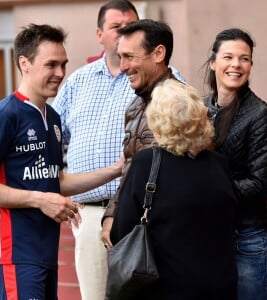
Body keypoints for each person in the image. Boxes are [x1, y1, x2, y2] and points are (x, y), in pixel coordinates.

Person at [52, 2, 185, 299]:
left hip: (145, 218)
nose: (125, 32)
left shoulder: (162, 81)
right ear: (100, 34)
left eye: (131, 26)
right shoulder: (77, 81)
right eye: (117, 27)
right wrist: (52, 188)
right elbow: (51, 138)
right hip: (89, 217)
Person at [0, 23, 124, 300]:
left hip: (44, 251)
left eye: (63, 64)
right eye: (51, 65)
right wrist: (41, 200)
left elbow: (55, 181)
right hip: (12, 253)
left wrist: (115, 170)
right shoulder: (3, 116)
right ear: (25, 63)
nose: (60, 73)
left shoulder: (54, 118)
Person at [110, 78, 238, 300]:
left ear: (158, 122)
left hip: (164, 288)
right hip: (218, 287)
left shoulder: (146, 163)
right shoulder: (219, 164)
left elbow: (121, 232)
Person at [203, 28, 267, 300]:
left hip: (249, 240)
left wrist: (205, 190)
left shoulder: (261, 115)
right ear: (213, 62)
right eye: (228, 57)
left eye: (244, 58)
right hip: (211, 238)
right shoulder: (201, 109)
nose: (236, 64)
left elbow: (259, 186)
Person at [101, 19, 186, 248]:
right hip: (134, 232)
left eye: (130, 57)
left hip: (167, 238)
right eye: (121, 57)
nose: (123, 67)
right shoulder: (134, 106)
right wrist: (111, 214)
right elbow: (129, 167)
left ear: (158, 53)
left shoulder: (183, 106)